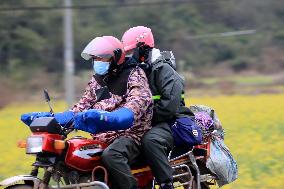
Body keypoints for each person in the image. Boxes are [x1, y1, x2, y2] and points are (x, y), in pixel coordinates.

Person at [21, 36, 153, 189]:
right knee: (68, 151)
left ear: (116, 58)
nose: (97, 61)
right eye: (95, 58)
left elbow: (137, 104)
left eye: (102, 58)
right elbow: (81, 107)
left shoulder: (134, 75)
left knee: (112, 155)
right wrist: (49, 118)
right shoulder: (98, 80)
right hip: (102, 137)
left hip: (130, 135)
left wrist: (108, 117)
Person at [121, 26, 194, 189]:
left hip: (172, 121)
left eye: (130, 52)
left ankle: (166, 183)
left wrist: (142, 120)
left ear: (142, 49)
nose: (127, 57)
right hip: (151, 122)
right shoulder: (136, 73)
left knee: (151, 141)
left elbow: (169, 106)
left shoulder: (163, 70)